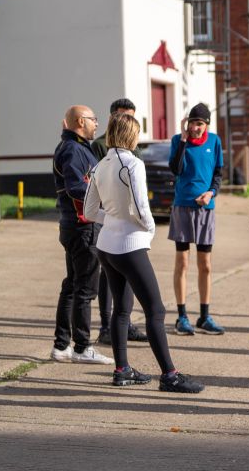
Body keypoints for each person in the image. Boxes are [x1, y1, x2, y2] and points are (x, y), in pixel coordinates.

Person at [83, 113, 204, 393]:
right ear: (130, 135)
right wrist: (149, 230)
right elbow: (141, 207)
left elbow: (89, 212)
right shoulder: (133, 163)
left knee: (121, 311)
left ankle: (122, 369)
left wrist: (112, 216)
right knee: (156, 311)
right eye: (137, 133)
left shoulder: (100, 165)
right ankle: (169, 375)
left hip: (106, 246)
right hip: (130, 244)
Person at [49, 105, 113, 365]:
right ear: (79, 122)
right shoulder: (74, 150)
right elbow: (78, 188)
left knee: (73, 286)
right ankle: (82, 347)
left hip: (75, 226)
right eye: (92, 119)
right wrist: (103, 203)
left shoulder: (76, 147)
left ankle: (61, 345)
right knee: (85, 289)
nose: (96, 124)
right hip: (82, 227)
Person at [90, 98, 147, 347]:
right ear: (114, 117)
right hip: (112, 221)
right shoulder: (100, 147)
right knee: (108, 276)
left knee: (127, 281)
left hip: (128, 224)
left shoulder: (135, 150)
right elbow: (97, 190)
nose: (129, 122)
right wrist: (148, 226)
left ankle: (124, 325)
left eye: (132, 117)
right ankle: (105, 325)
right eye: (125, 117)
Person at [168, 103, 225, 336]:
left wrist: (211, 193)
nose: (195, 128)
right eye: (192, 123)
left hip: (206, 209)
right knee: (182, 262)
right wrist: (182, 140)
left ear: (206, 125)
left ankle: (204, 316)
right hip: (182, 206)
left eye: (199, 124)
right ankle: (181, 316)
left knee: (206, 265)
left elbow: (218, 174)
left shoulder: (215, 142)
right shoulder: (177, 140)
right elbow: (176, 169)